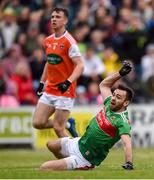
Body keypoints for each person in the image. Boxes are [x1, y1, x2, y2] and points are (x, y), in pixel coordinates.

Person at [40, 60, 134, 171]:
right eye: (114, 94)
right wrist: (120, 73)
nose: (113, 98)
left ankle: (79, 165)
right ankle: (70, 159)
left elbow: (127, 143)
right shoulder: (110, 103)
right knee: (51, 145)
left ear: (126, 103)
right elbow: (103, 85)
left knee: (44, 167)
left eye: (118, 97)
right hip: (78, 143)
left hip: (85, 158)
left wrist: (129, 162)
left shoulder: (122, 121)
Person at [32, 7, 84, 138]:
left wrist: (68, 82)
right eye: (52, 17)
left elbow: (80, 66)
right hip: (50, 89)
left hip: (65, 91)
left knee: (57, 128)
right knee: (37, 123)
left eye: (58, 17)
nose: (54, 19)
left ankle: (74, 156)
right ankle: (68, 124)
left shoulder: (70, 42)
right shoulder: (47, 41)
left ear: (65, 21)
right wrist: (42, 82)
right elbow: (49, 62)